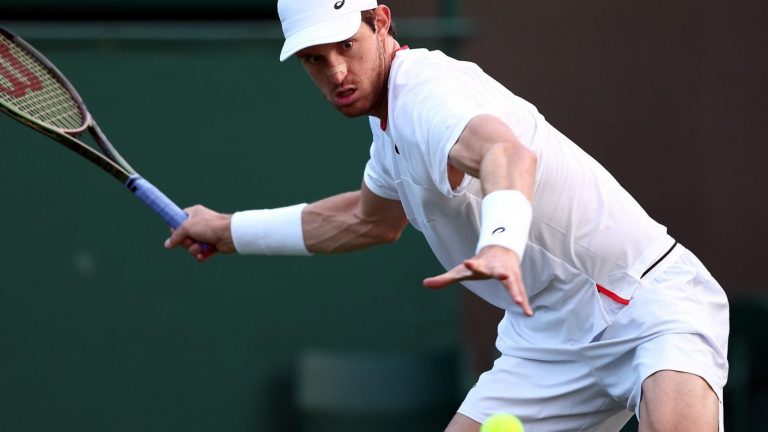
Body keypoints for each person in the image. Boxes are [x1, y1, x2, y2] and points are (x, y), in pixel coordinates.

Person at [164, 1, 730, 430]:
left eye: (345, 47)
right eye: (315, 59)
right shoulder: (387, 129)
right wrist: (228, 229)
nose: (335, 71)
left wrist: (501, 245)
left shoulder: (427, 94)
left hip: (648, 304)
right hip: (548, 338)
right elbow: (367, 220)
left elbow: (507, 154)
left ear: (380, 22)